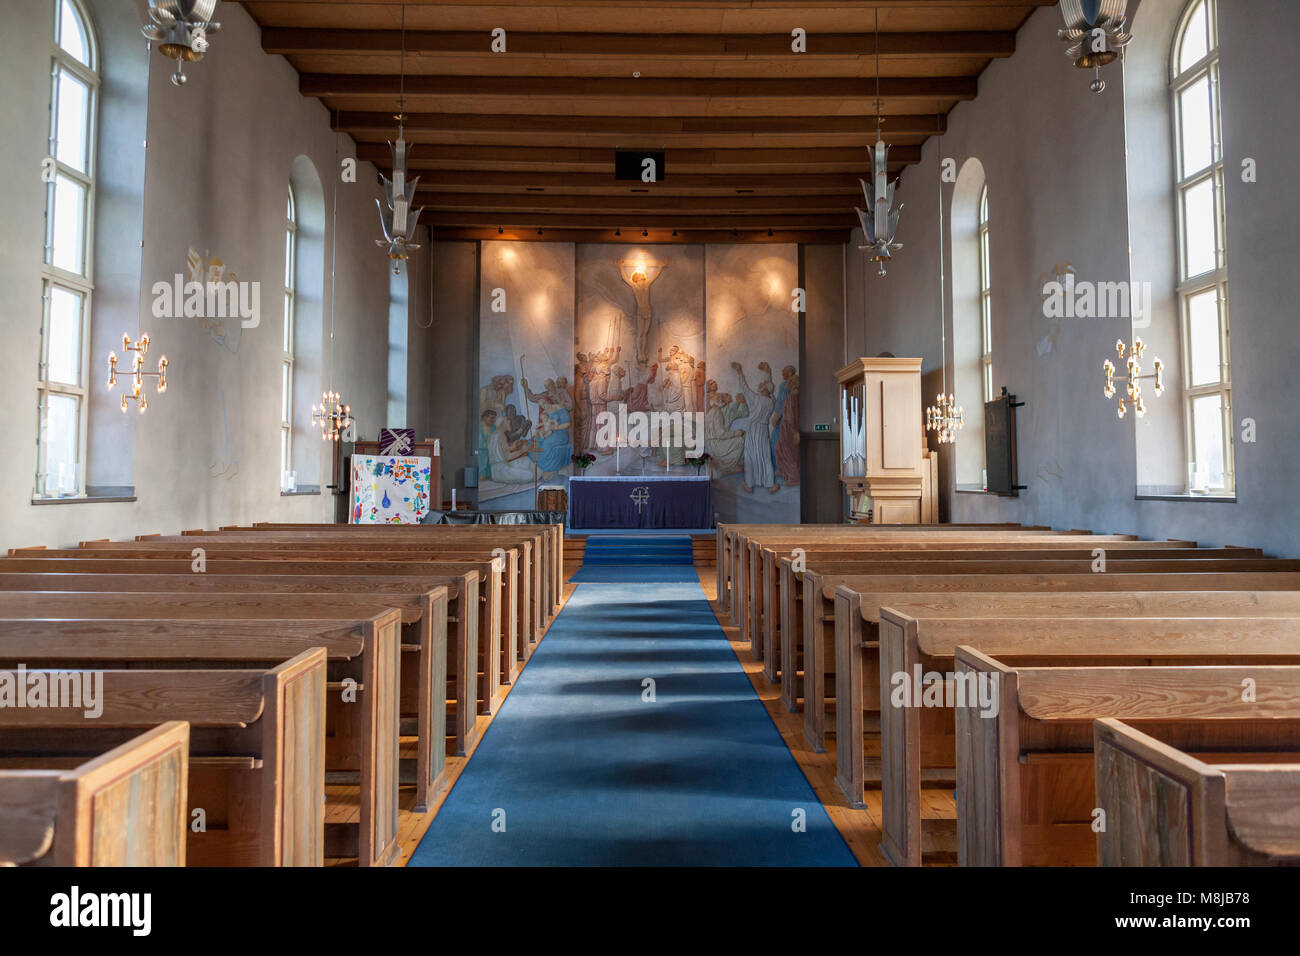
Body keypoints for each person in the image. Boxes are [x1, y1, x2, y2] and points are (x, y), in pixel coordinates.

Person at [732, 361, 779, 493]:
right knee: (765, 456)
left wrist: (740, 372)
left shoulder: (755, 399)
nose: (760, 384)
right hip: (763, 430)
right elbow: (770, 385)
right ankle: (770, 484)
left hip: (753, 429)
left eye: (762, 384)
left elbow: (744, 387)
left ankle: (749, 484)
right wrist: (767, 372)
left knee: (750, 455)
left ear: (764, 389)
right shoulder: (771, 401)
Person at [773, 367, 800, 486]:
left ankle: (794, 477)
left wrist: (794, 431)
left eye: (784, 373)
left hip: (788, 427)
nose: (786, 384)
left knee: (788, 451)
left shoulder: (791, 397)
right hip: (789, 426)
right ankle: (783, 470)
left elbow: (790, 416)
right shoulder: (795, 396)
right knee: (781, 448)